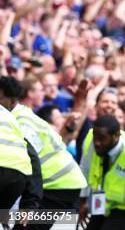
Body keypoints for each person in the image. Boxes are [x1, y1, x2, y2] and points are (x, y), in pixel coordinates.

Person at [0, 76, 87, 230]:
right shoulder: (22, 116)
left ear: (12, 101)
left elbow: (32, 160)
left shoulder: (20, 122)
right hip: (65, 184)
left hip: (57, 187)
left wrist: (30, 204)